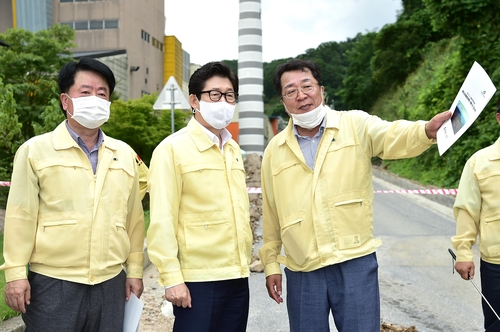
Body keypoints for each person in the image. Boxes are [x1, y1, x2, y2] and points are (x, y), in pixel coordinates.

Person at [258, 58, 451, 332]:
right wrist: (271, 265)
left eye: (307, 86)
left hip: (354, 261)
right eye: (291, 91)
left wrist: (426, 130)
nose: (301, 95)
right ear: (283, 101)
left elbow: (391, 134)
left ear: (321, 90)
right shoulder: (275, 150)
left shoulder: (355, 124)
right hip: (303, 268)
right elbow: (272, 211)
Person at [0, 57, 145, 331]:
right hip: (55, 282)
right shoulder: (35, 151)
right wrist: (16, 274)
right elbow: (21, 216)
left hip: (111, 281)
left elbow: (134, 219)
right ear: (65, 101)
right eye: (86, 92)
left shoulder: (124, 154)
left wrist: (135, 270)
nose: (96, 99)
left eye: (102, 93)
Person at [147, 61, 252, 332]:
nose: (223, 101)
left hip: (237, 275)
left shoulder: (232, 149)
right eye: (214, 94)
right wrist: (172, 278)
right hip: (198, 280)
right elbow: (161, 218)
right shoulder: (172, 149)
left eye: (229, 95)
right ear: (194, 100)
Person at [452, 95, 500, 331]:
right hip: (496, 264)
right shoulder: (479, 163)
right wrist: (463, 252)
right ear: (499, 119)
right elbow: (467, 211)